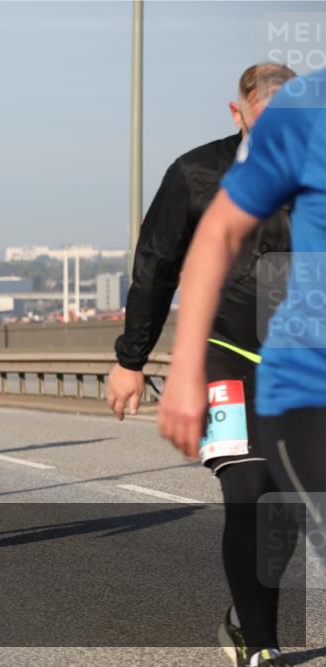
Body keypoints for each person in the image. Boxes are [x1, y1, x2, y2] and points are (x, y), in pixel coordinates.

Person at [156, 68, 324, 667]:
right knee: (250, 486)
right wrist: (148, 362)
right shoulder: (200, 172)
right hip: (227, 349)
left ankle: (243, 615)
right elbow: (163, 262)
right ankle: (260, 640)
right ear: (240, 113)